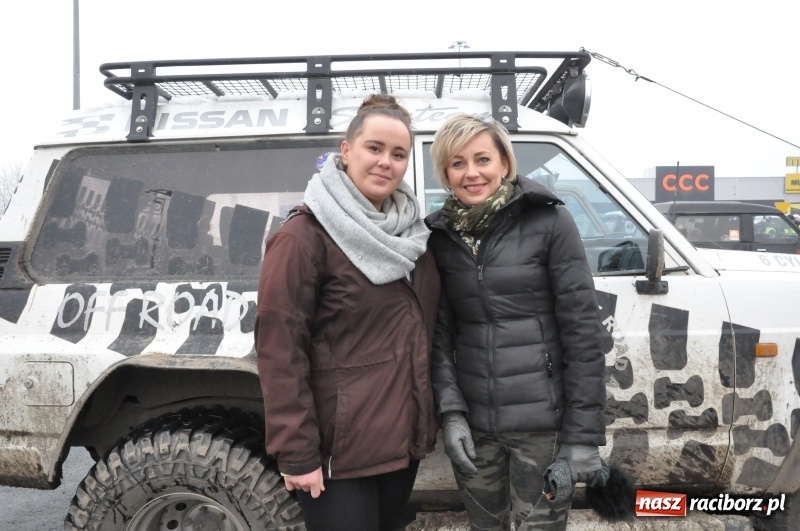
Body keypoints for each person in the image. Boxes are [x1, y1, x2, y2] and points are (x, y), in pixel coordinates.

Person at [254, 94, 440, 531]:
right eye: (374, 148)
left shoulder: (413, 234)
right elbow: (280, 351)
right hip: (339, 454)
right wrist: (297, 452)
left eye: (398, 154)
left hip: (401, 441)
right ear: (346, 150)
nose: (385, 163)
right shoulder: (303, 237)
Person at [425, 113, 607, 530]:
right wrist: (451, 414)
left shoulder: (550, 222)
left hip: (544, 431)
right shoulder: (439, 239)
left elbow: (583, 334)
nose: (472, 173)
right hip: (476, 430)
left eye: (482, 159)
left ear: (504, 163)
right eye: (457, 163)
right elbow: (438, 337)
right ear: (446, 174)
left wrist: (582, 435)